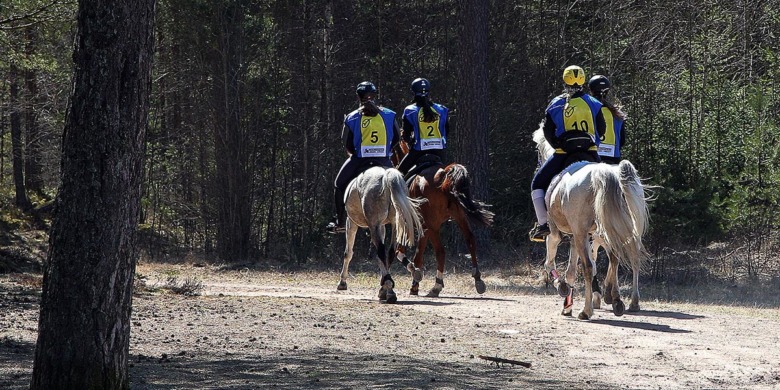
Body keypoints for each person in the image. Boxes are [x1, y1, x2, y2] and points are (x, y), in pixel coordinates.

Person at [529, 65, 606, 242]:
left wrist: (557, 145)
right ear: (583, 81)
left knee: (537, 183)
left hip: (563, 153)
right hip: (590, 153)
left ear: (565, 81)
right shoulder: (594, 103)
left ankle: (542, 225)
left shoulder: (556, 103)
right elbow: (602, 129)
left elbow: (547, 131)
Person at [326, 81, 400, 234]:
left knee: (339, 185)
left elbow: (346, 142)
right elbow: (397, 137)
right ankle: (404, 216)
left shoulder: (352, 117)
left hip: (359, 160)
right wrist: (385, 150)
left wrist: (356, 152)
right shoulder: (389, 114)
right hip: (383, 160)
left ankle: (340, 221)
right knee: (399, 184)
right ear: (375, 95)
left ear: (358, 97)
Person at [396, 78, 450, 176]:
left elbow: (406, 135)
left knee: (398, 174)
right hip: (439, 151)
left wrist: (411, 142)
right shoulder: (442, 109)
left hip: (418, 151)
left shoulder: (410, 110)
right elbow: (447, 131)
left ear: (413, 92)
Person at [588, 75, 626, 165]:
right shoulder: (617, 114)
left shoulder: (588, 112)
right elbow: (622, 141)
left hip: (593, 156)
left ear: (591, 91)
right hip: (614, 158)